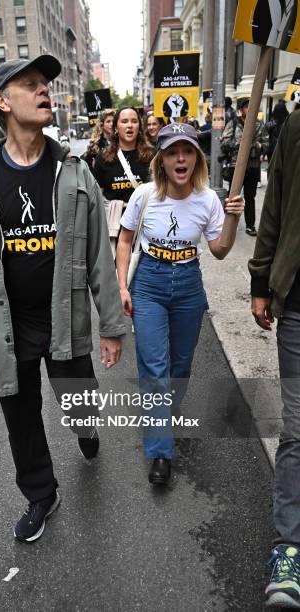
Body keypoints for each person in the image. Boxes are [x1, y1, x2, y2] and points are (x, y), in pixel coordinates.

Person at [0, 55, 126, 544]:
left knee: (79, 402)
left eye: (45, 83)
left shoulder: (72, 171)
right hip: (9, 326)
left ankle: (86, 430)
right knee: (20, 416)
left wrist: (111, 325)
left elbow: (97, 254)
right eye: (30, 84)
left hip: (65, 318)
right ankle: (40, 494)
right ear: (3, 101)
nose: (44, 89)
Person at [116, 123, 244, 485]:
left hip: (189, 283)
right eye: (172, 152)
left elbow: (220, 251)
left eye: (187, 151)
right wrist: (122, 286)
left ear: (196, 157)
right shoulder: (143, 195)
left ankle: (164, 412)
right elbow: (125, 241)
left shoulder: (208, 199)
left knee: (181, 365)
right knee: (155, 369)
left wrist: (233, 217)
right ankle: (160, 451)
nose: (180, 158)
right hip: (150, 284)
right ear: (162, 159)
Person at [249, 109, 300, 610]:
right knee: (297, 429)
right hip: (299, 300)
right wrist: (261, 278)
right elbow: (276, 207)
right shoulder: (297, 125)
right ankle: (289, 550)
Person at [93, 106, 154, 255]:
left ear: (139, 126)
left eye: (134, 121)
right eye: (124, 121)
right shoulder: (103, 159)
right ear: (115, 127)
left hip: (146, 227)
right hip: (115, 228)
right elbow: (97, 198)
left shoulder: (152, 156)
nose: (129, 125)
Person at [221, 96, 268, 237]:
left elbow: (266, 143)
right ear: (241, 109)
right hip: (236, 165)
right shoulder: (233, 123)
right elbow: (224, 142)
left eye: (251, 106)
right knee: (232, 195)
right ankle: (227, 225)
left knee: (250, 196)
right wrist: (239, 144)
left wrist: (258, 146)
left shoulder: (259, 125)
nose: (249, 109)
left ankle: (250, 225)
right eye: (246, 106)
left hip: (253, 166)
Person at [82, 108, 115, 172]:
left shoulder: (120, 141)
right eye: (108, 121)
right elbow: (86, 166)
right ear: (102, 125)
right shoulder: (95, 145)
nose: (112, 124)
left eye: (113, 121)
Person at [265, 100, 289, 165]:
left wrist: (263, 153)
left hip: (272, 150)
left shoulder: (269, 125)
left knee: (271, 168)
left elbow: (265, 140)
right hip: (284, 151)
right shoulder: (288, 124)